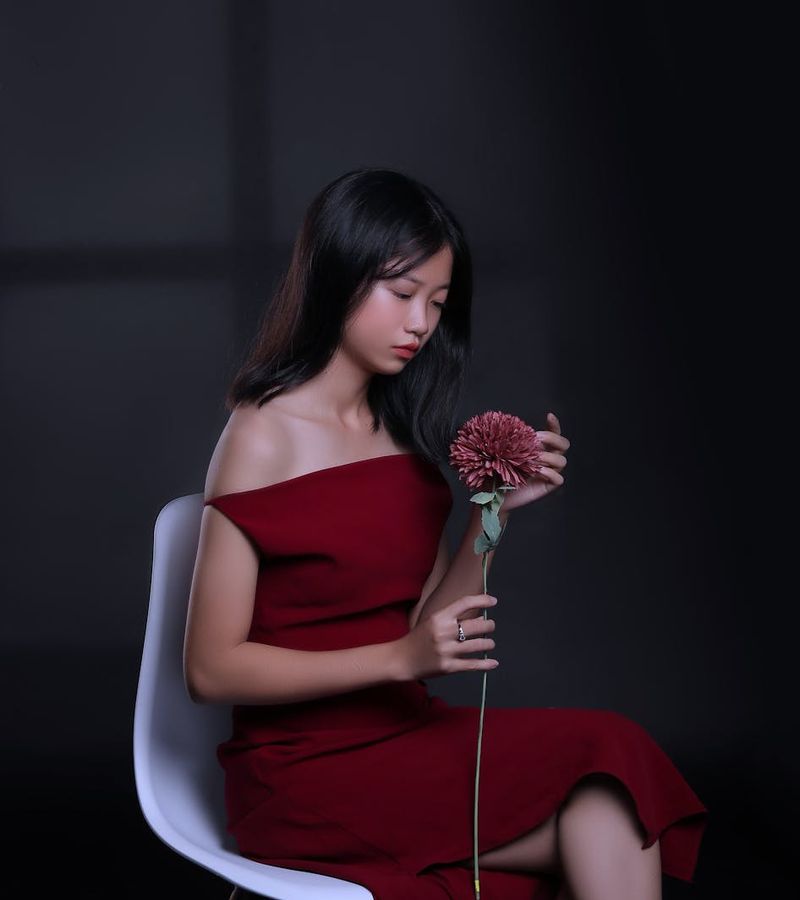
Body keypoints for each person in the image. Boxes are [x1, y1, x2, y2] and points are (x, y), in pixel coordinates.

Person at [184, 167, 708, 900]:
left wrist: (491, 517)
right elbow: (210, 670)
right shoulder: (261, 433)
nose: (420, 325)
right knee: (607, 811)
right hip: (304, 773)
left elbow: (432, 638)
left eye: (437, 302)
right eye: (401, 295)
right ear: (338, 274)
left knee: (611, 771)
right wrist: (396, 656)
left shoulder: (398, 438)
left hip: (408, 739)